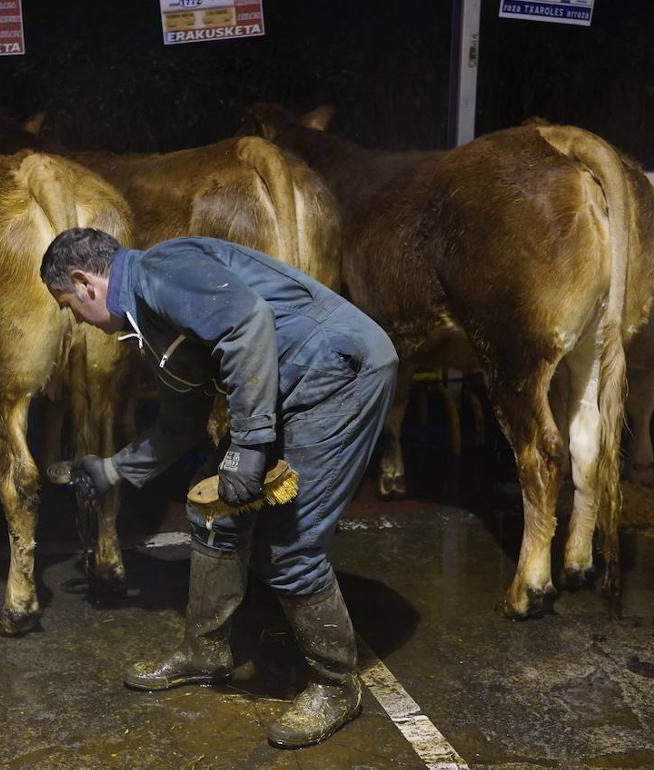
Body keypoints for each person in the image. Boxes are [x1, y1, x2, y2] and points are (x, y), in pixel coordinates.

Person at [41, 228, 397, 749]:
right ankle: (205, 652)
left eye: (68, 306)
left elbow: (246, 322)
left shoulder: (161, 271)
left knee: (289, 546)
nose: (76, 319)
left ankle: (336, 686)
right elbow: (179, 423)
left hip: (339, 374)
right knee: (209, 508)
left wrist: (249, 445)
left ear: (84, 282)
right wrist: (111, 470)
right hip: (290, 383)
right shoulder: (149, 319)